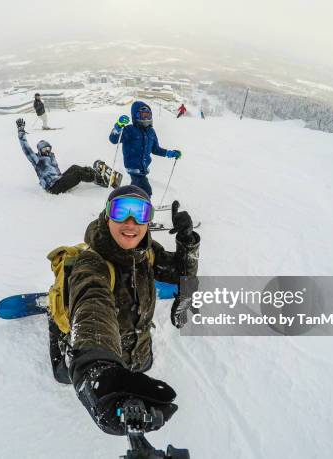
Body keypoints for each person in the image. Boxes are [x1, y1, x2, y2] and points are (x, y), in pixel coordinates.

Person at [50, 185, 200, 436]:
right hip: (103, 348)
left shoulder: (147, 252)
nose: (131, 223)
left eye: (140, 213)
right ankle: (55, 323)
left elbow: (180, 275)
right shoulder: (92, 263)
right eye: (121, 211)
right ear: (107, 215)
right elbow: (93, 306)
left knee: (140, 366)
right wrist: (99, 375)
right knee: (63, 374)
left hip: (137, 351)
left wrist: (186, 240)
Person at [109, 101, 182, 198]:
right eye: (143, 115)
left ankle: (130, 202)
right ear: (136, 116)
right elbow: (114, 139)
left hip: (143, 169)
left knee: (136, 189)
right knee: (146, 190)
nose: (146, 118)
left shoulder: (151, 132)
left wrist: (170, 153)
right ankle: (141, 207)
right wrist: (118, 126)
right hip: (133, 167)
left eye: (148, 115)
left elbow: (156, 149)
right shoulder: (129, 130)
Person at [16, 118, 105, 194]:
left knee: (74, 167)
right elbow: (26, 148)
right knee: (78, 174)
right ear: (39, 151)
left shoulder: (51, 156)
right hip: (53, 187)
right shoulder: (37, 160)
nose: (47, 151)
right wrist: (21, 131)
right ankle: (97, 179)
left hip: (58, 179)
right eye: (44, 149)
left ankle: (91, 171)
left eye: (48, 148)